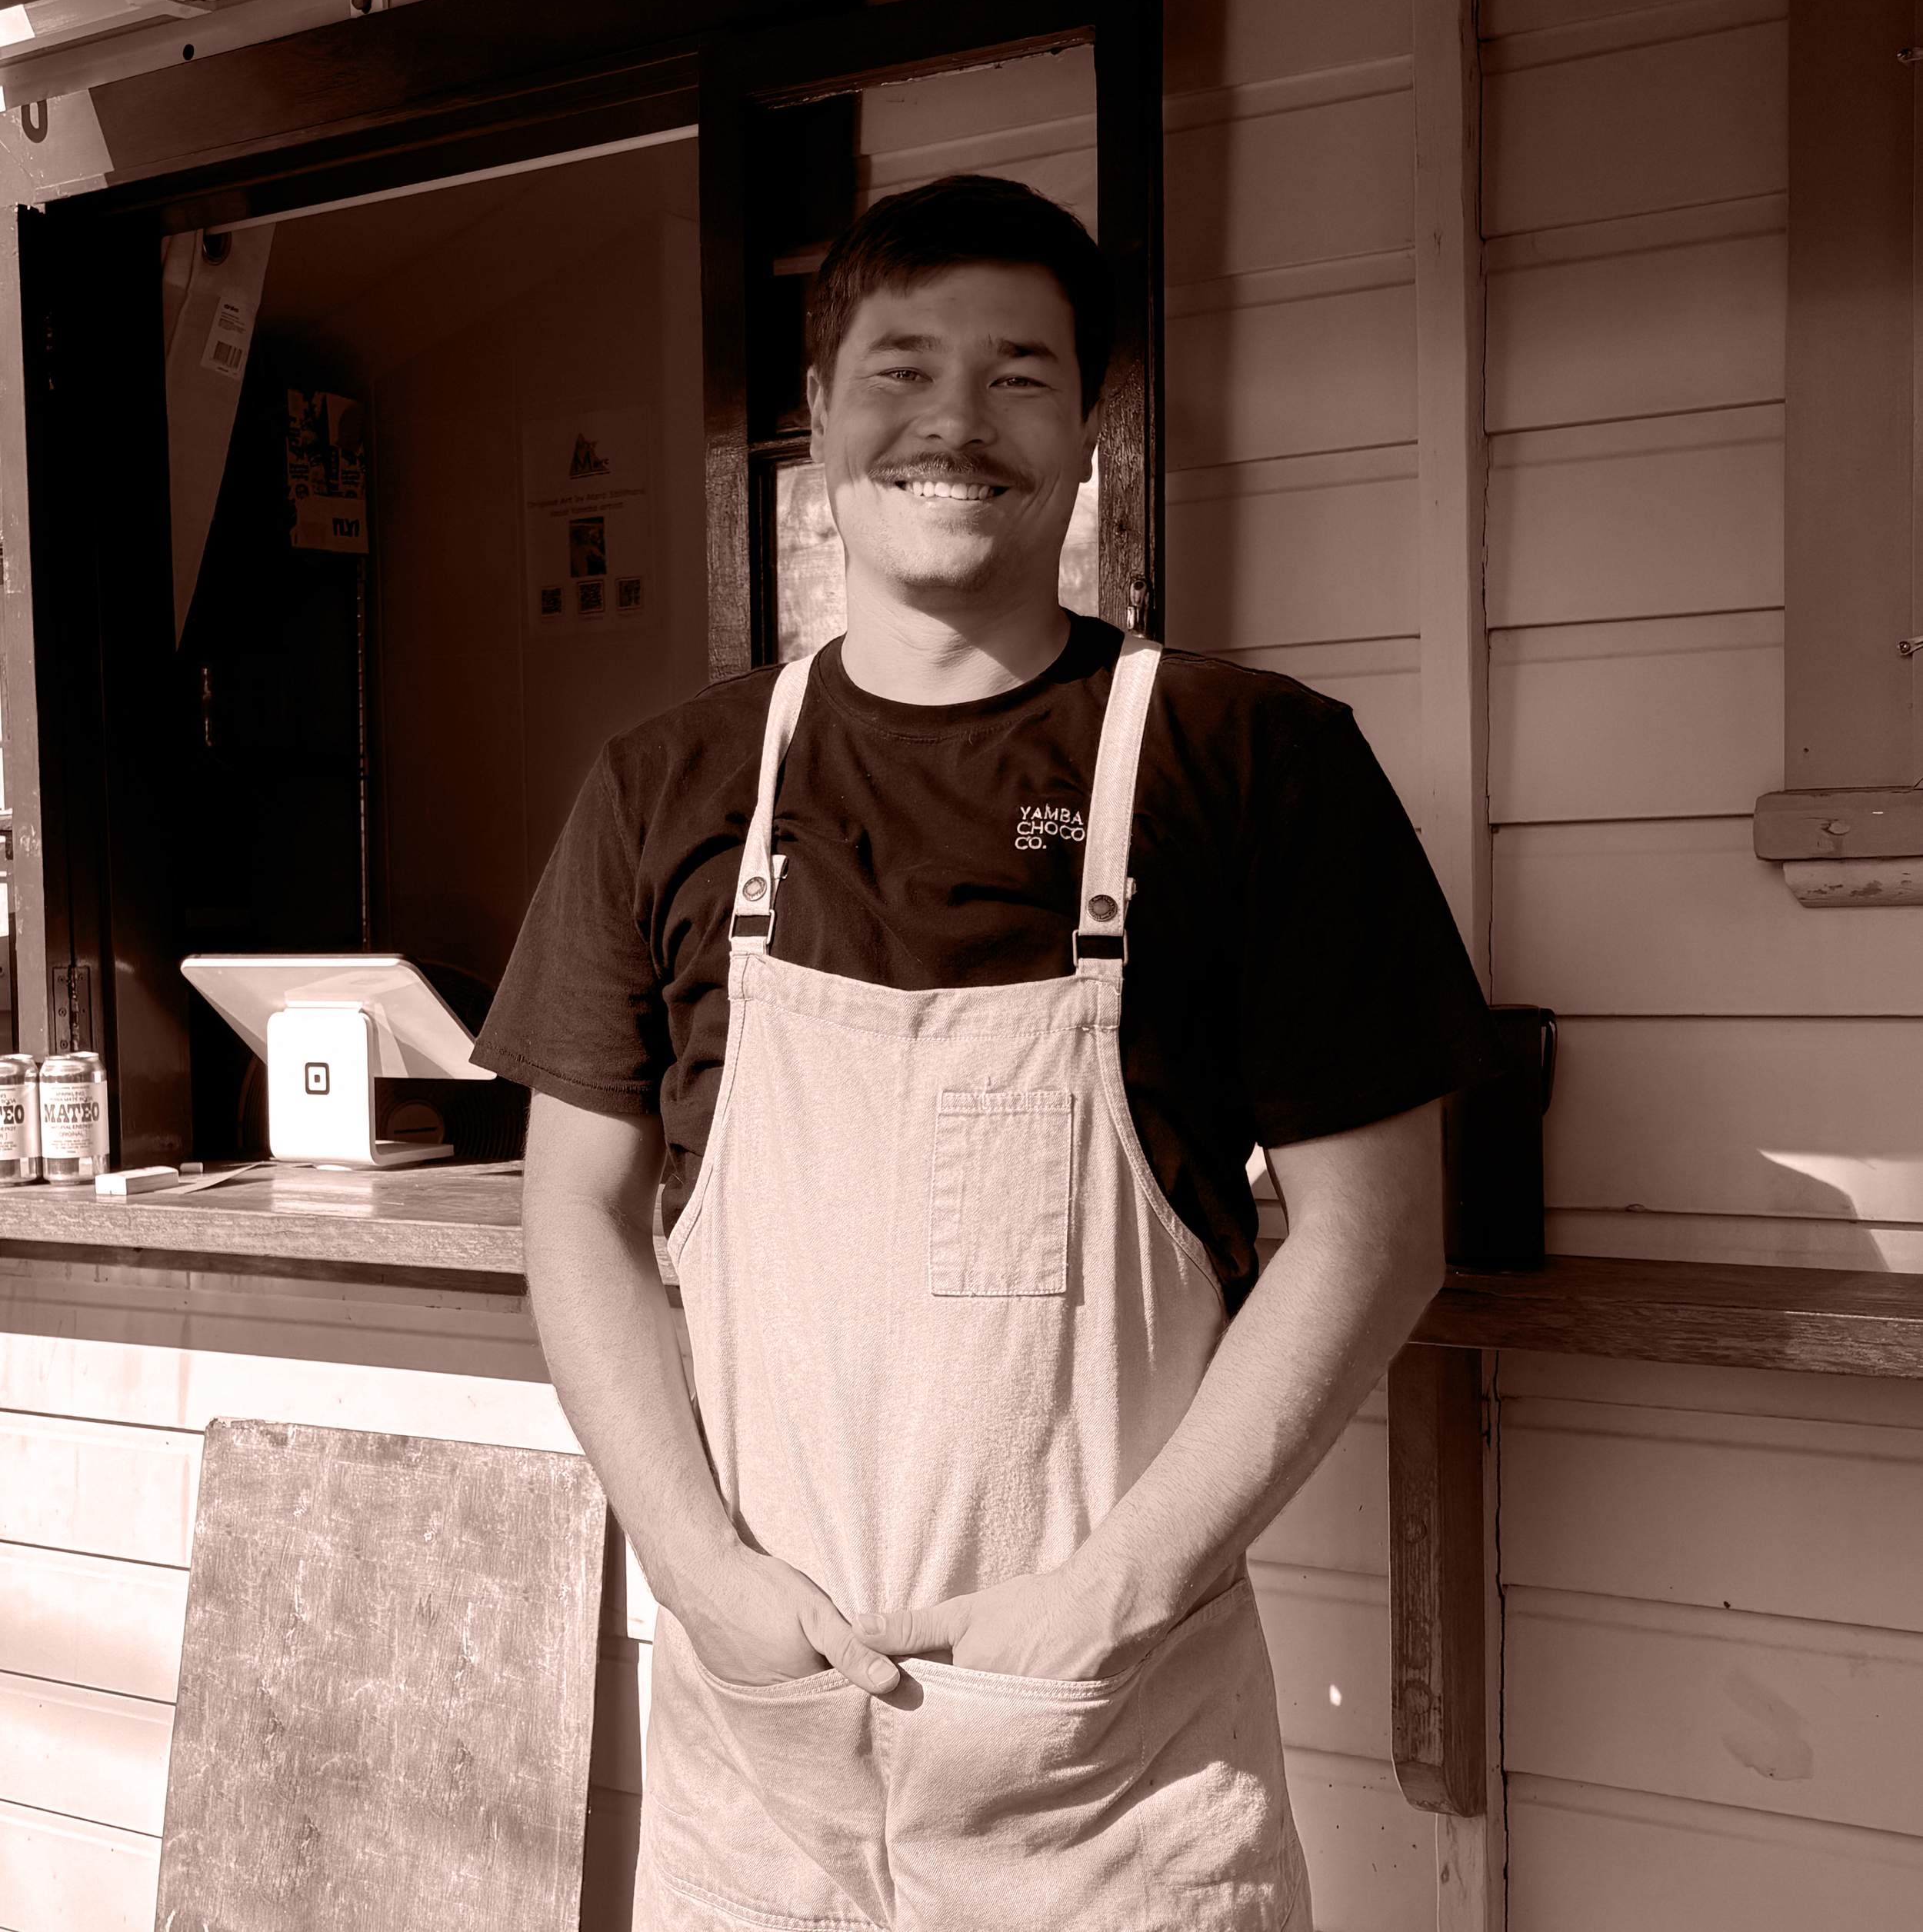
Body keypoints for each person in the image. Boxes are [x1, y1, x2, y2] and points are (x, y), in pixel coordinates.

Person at [475, 174, 1502, 1932]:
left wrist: (1115, 1590)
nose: (952, 420)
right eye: (900, 367)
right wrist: (699, 1567)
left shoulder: (1244, 764)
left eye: (1018, 374)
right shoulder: (667, 785)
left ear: (1089, 433)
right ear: (817, 421)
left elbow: (1374, 1222)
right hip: (762, 1756)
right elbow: (573, 1211)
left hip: (1110, 1768)